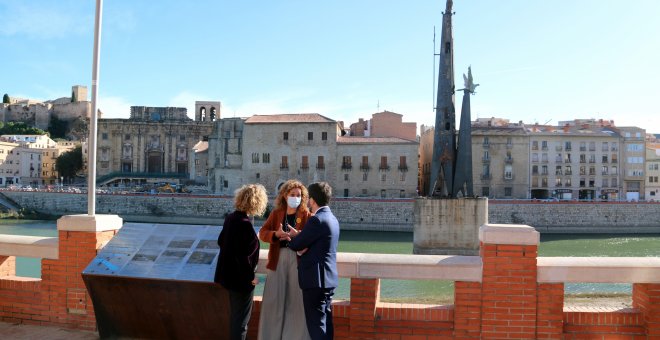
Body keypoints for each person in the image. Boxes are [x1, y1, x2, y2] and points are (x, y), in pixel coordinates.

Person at [257, 180, 312, 340]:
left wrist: (299, 236)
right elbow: (263, 233)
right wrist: (276, 234)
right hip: (278, 259)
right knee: (273, 300)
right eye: (292, 194)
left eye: (299, 195)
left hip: (298, 261)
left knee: (297, 302)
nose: (296, 197)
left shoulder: (307, 215)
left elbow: (313, 238)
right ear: (285, 195)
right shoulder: (276, 214)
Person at [214, 184, 268, 340]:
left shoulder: (231, 218)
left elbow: (221, 241)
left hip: (227, 277)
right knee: (241, 322)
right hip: (241, 282)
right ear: (257, 202)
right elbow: (245, 258)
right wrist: (252, 278)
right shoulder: (245, 225)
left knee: (235, 318)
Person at [287, 182, 339, 340]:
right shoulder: (333, 219)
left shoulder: (316, 220)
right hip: (328, 279)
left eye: (308, 198)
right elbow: (318, 243)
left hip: (315, 281)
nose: (307, 201)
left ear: (313, 200)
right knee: (326, 323)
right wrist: (302, 236)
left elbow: (296, 245)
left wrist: (294, 237)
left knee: (316, 325)